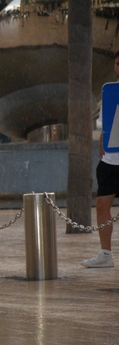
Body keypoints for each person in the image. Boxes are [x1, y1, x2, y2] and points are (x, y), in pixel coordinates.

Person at [81, 51, 119, 268]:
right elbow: (104, 129)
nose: (118, 68)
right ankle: (106, 253)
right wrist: (101, 156)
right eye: (117, 64)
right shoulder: (110, 92)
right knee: (102, 204)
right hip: (110, 161)